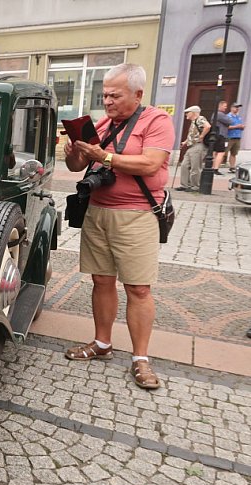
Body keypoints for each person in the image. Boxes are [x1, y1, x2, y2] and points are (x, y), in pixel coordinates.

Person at [62, 63, 174, 390]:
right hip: (98, 211)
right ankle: (102, 344)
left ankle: (141, 359)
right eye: (105, 94)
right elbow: (76, 166)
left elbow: (151, 163)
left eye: (115, 95)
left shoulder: (157, 120)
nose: (107, 101)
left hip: (136, 215)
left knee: (138, 288)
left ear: (137, 94)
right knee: (101, 280)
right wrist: (75, 153)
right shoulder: (102, 123)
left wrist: (104, 156)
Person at [177, 105, 210, 192]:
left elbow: (208, 126)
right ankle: (185, 185)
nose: (186, 114)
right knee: (184, 165)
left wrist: (202, 136)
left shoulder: (200, 119)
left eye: (188, 112)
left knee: (195, 167)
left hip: (198, 146)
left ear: (193, 113)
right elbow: (192, 134)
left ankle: (195, 186)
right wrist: (185, 142)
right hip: (191, 146)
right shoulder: (193, 121)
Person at [211, 100, 231, 174]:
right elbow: (230, 121)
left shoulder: (215, 114)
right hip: (220, 135)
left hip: (216, 134)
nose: (226, 108)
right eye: (225, 106)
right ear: (220, 106)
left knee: (214, 151)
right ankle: (215, 168)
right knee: (221, 152)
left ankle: (212, 167)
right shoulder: (220, 114)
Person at [227, 103, 244, 173]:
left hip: (237, 137)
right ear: (231, 108)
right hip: (229, 137)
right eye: (235, 107)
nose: (237, 109)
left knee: (234, 153)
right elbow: (226, 127)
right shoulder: (228, 117)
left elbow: (241, 126)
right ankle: (216, 166)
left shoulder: (238, 117)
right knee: (223, 152)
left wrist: (242, 127)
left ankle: (232, 167)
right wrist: (237, 126)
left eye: (238, 107)